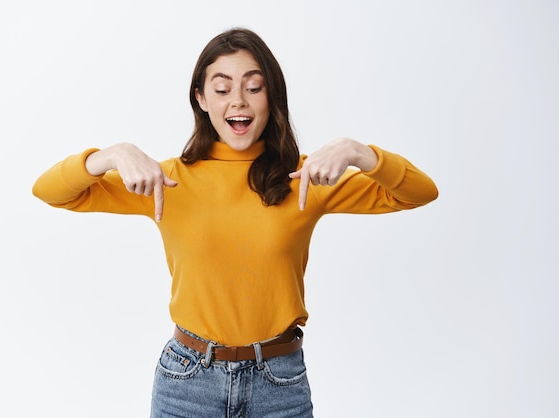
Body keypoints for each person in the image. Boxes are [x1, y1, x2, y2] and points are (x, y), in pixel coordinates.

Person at [33, 27, 438, 418]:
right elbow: (50, 191)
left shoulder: (303, 180)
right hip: (186, 382)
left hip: (279, 384)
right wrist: (107, 155)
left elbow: (419, 193)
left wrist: (359, 152)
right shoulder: (167, 180)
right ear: (202, 99)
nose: (238, 101)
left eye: (254, 87)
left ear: (271, 96)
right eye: (223, 89)